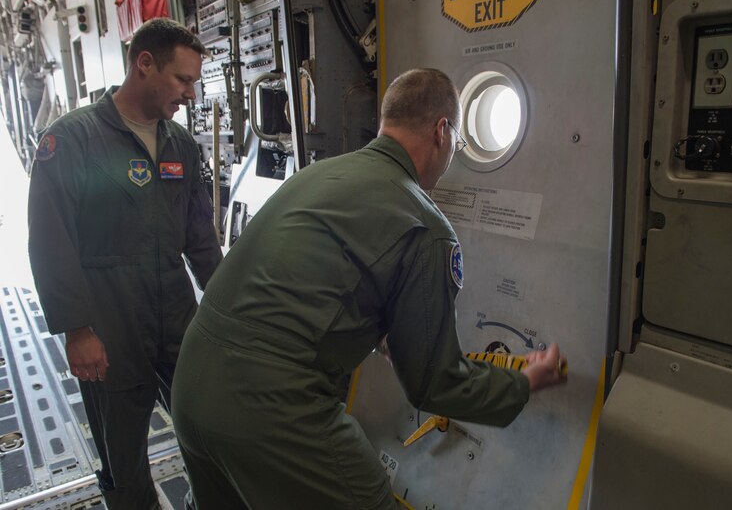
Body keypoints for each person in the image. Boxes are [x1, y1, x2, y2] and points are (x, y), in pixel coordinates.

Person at [171, 68, 567, 510]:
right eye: (458, 140)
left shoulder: (319, 175)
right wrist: (522, 382)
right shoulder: (427, 227)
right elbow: (435, 385)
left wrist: (380, 330)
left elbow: (312, 286)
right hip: (269, 406)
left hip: (192, 385)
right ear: (442, 131)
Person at [27, 18, 222, 509]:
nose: (190, 94)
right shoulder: (72, 142)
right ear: (144, 64)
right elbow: (50, 242)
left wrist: (223, 307)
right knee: (124, 455)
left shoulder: (180, 145)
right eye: (183, 80)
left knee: (212, 429)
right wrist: (77, 330)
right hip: (110, 325)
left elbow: (200, 239)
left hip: (178, 316)